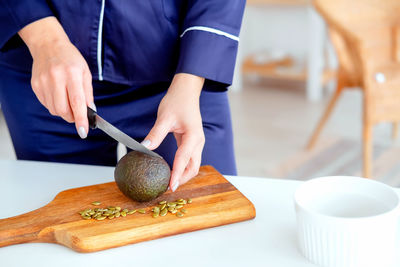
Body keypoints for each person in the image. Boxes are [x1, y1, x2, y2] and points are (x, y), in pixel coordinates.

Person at [0, 1, 245, 191]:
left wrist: (190, 83)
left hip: (178, 79)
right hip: (49, 74)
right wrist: (46, 41)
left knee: (203, 211)